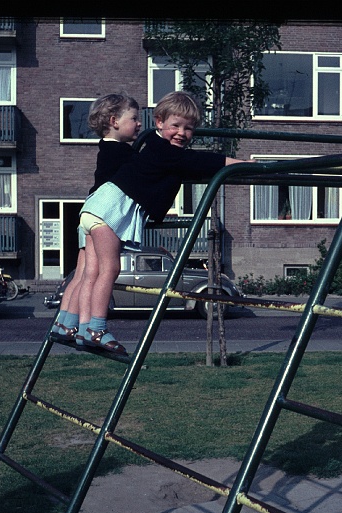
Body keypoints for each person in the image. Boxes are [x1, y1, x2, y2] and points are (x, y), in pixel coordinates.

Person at [74, 91, 252, 354]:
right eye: (175, 126)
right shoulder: (161, 149)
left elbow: (192, 161)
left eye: (189, 128)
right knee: (108, 270)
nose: (181, 133)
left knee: (93, 271)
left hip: (98, 207)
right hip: (109, 208)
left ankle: (81, 327)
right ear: (159, 123)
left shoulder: (154, 147)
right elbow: (203, 161)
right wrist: (243, 164)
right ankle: (96, 328)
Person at [52, 93, 142, 342]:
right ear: (114, 121)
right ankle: (95, 327)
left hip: (88, 213)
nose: (138, 123)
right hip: (104, 214)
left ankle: (66, 323)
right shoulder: (120, 151)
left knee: (84, 274)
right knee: (108, 269)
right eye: (134, 118)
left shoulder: (106, 150)